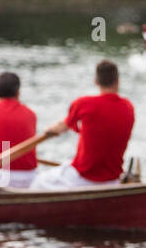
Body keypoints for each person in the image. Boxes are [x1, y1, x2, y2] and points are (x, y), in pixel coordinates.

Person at [32, 60, 134, 190]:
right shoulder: (128, 107)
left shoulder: (83, 104)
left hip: (83, 176)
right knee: (65, 165)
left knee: (37, 182)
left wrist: (48, 130)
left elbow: (62, 127)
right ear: (118, 81)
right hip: (112, 178)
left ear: (96, 81)